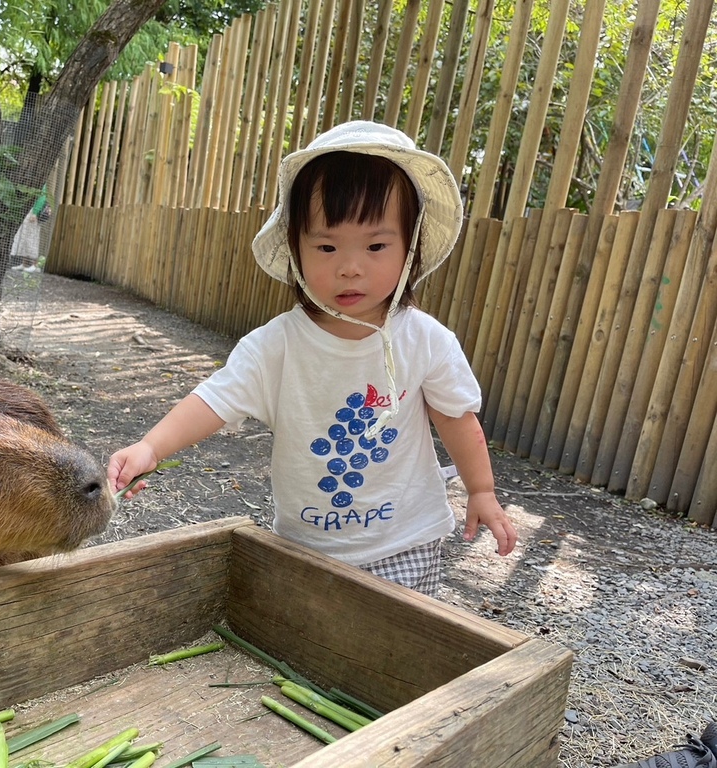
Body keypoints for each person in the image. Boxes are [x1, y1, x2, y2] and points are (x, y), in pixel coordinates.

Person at [107, 121, 517, 596]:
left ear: (411, 248)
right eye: (326, 246)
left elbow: (456, 416)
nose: (349, 266)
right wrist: (150, 448)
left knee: (394, 649)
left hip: (404, 541)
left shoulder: (425, 339)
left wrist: (481, 489)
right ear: (295, 249)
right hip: (304, 546)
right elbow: (214, 400)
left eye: (376, 245)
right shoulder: (275, 345)